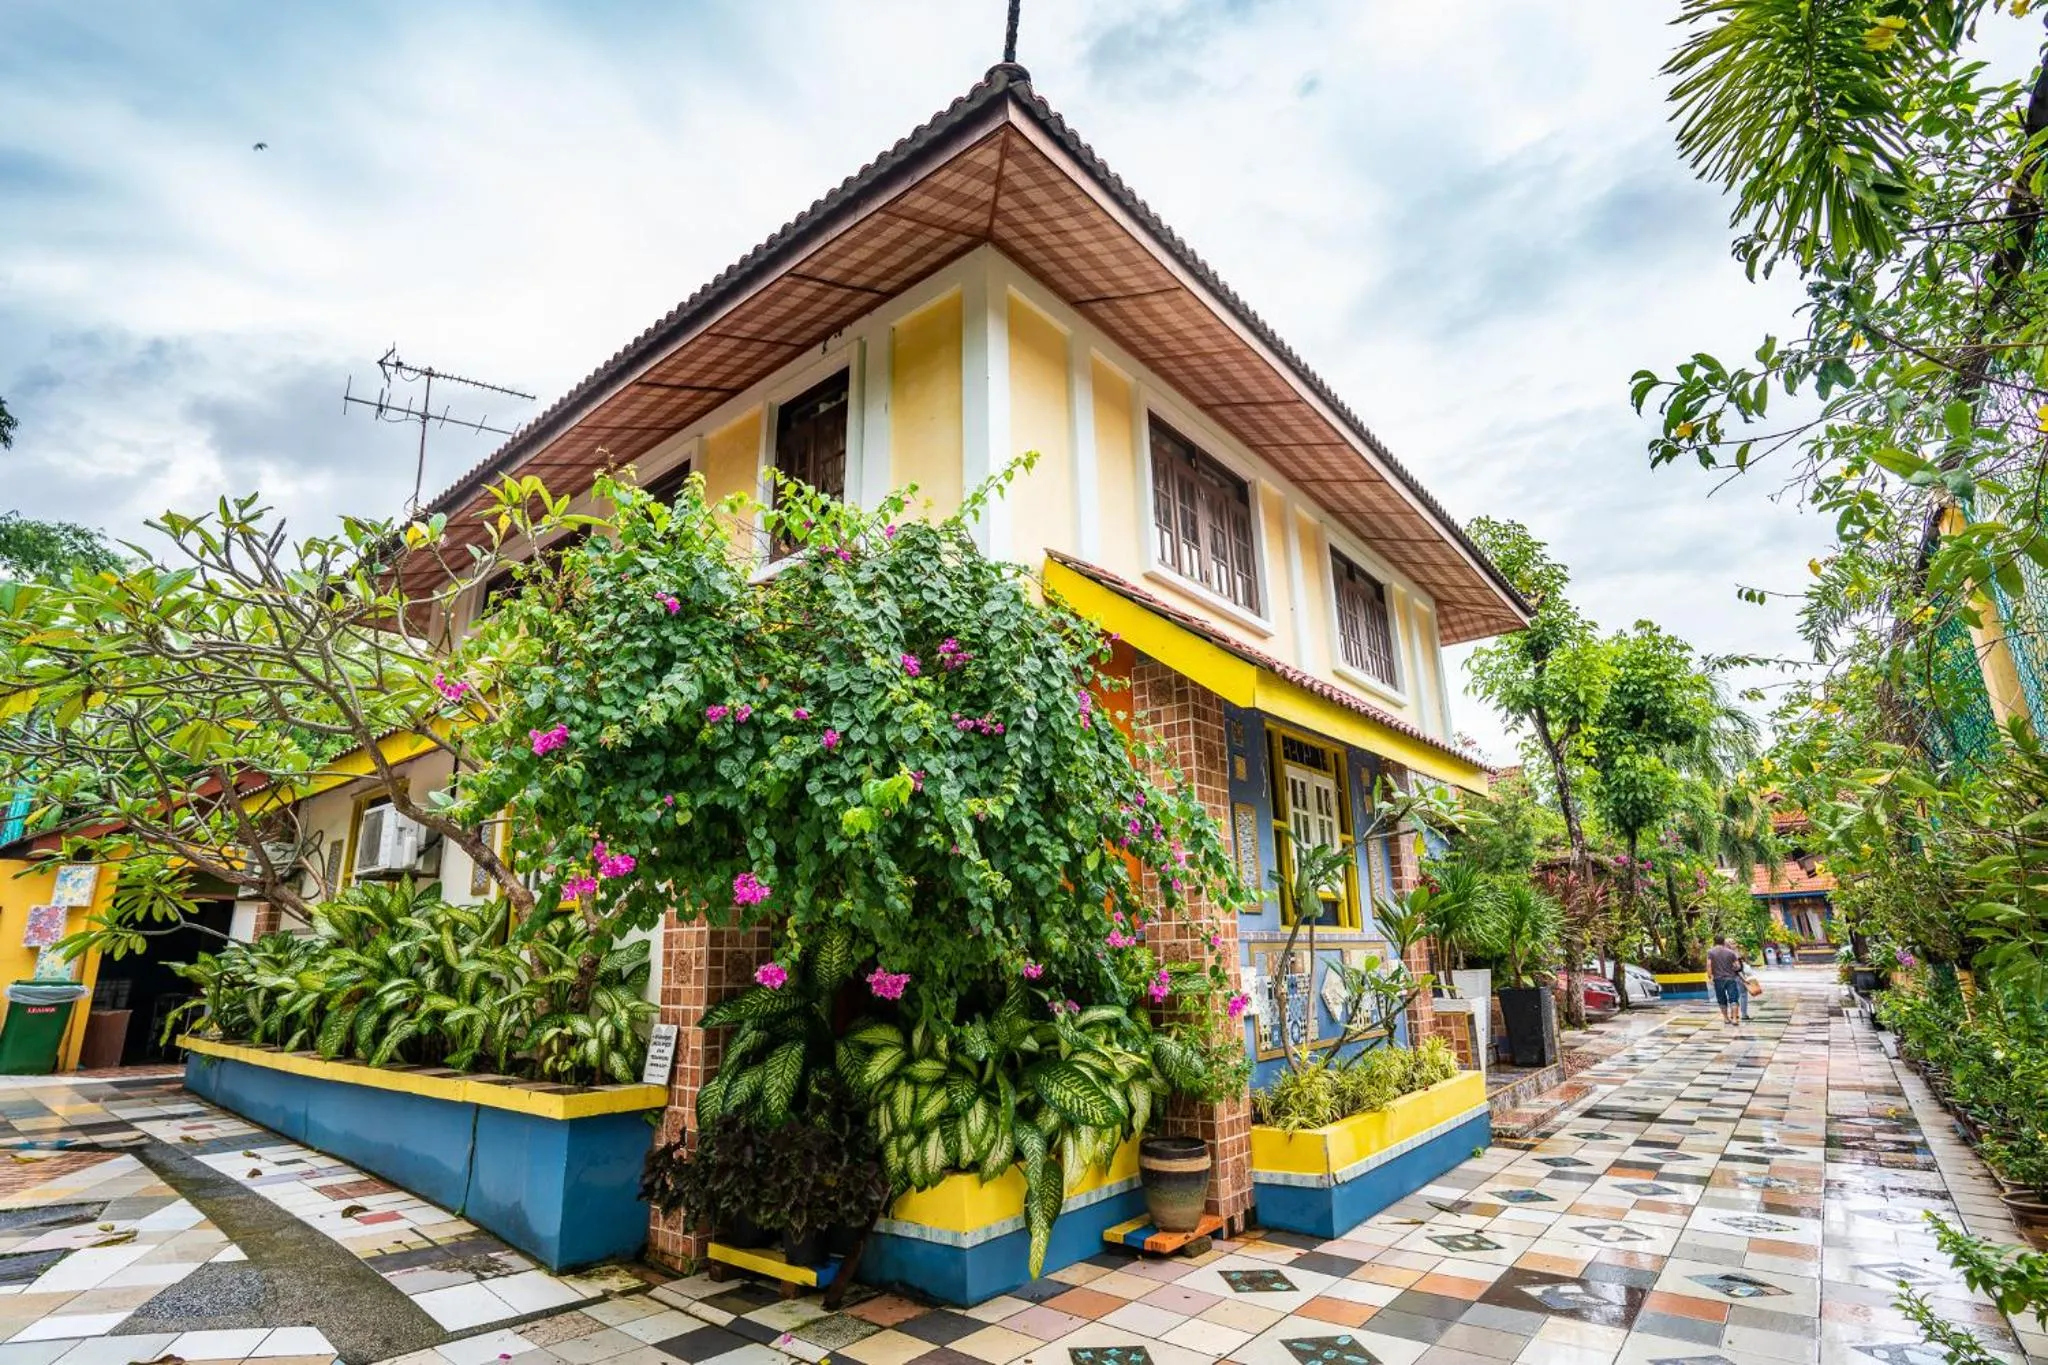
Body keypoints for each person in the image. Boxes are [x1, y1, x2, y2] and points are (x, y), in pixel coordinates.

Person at [1707, 934, 1745, 1026]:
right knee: (1733, 999)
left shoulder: (1710, 952)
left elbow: (1709, 965)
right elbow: (1737, 966)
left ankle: (1726, 1018)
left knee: (1721, 999)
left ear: (1714, 941)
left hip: (1718, 979)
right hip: (1730, 978)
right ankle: (1735, 1019)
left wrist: (1710, 977)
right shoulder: (1731, 952)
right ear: (1723, 941)